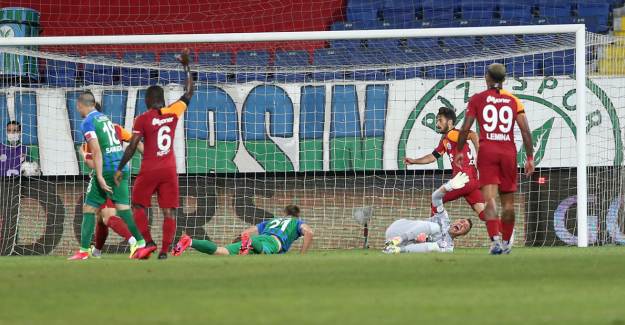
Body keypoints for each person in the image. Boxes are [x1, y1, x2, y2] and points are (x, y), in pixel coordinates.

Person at [115, 49, 194, 260]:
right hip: (169, 169)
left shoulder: (142, 118)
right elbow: (189, 93)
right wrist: (186, 66)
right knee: (169, 211)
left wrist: (120, 168)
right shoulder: (173, 111)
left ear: (149, 99)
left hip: (149, 168)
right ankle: (165, 251)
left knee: (138, 206)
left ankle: (149, 242)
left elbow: (132, 146)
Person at [454, 63, 534, 255]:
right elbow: (525, 130)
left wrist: (459, 150)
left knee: (489, 199)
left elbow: (465, 127)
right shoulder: (514, 101)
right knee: (508, 203)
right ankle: (507, 243)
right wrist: (530, 157)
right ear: (503, 79)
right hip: (508, 152)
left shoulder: (478, 99)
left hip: (487, 150)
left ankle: (495, 240)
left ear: (487, 78)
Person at [68, 91, 149, 260]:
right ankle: (140, 243)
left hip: (107, 168)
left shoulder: (87, 122)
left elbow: (96, 151)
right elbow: (136, 142)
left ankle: (85, 250)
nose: (78, 109)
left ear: (80, 105)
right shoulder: (107, 120)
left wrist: (98, 175)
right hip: (121, 167)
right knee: (119, 209)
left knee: (95, 211)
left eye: (78, 106)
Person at [404, 107, 486, 221]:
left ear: (450, 122)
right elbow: (432, 157)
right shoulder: (445, 140)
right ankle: (505, 230)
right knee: (483, 213)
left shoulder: (453, 134)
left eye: (440, 120)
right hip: (471, 181)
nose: (437, 124)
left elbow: (472, 135)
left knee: (435, 201)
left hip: (461, 180)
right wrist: (414, 161)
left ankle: (432, 234)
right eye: (437, 120)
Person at [171, 205, 314, 256]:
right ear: (297, 215)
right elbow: (309, 232)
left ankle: (189, 241)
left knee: (222, 251)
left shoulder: (271, 221)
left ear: (285, 212)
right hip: (271, 242)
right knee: (264, 252)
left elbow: (248, 231)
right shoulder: (297, 222)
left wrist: (240, 236)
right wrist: (301, 254)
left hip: (256, 238)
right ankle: (249, 243)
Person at [383, 172, 473, 254]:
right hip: (398, 229)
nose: (461, 225)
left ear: (463, 234)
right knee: (436, 227)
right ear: (456, 220)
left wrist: (423, 241)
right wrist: (449, 186)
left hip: (406, 246)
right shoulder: (443, 218)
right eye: (461, 221)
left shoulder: (448, 247)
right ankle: (397, 239)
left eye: (464, 227)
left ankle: (394, 250)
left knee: (435, 248)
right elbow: (436, 197)